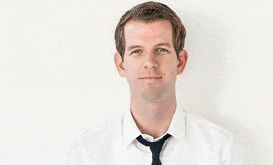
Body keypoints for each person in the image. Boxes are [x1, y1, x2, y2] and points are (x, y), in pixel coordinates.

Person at [68, 1, 235, 164]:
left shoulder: (222, 149)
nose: (149, 62)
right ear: (121, 64)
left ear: (180, 62)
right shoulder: (88, 153)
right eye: (137, 51)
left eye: (161, 50)